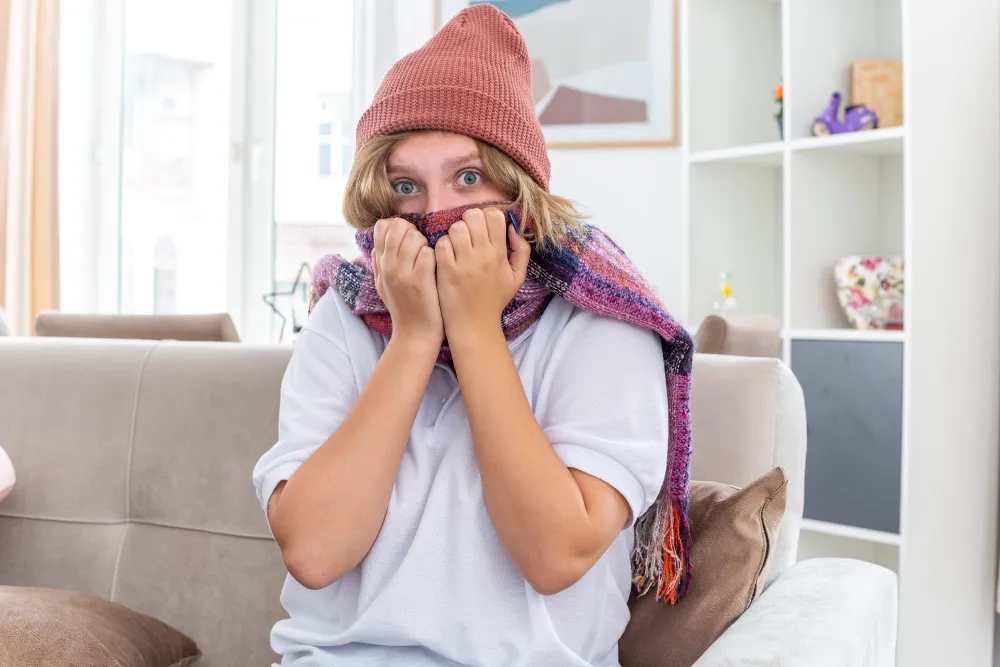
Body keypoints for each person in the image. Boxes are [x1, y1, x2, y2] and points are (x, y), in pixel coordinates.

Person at [252, 6, 693, 666]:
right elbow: (314, 551)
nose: (436, 215)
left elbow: (555, 554)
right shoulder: (342, 318)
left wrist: (475, 330)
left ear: (519, 190)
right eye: (406, 185)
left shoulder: (605, 325)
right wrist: (412, 339)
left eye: (467, 178)